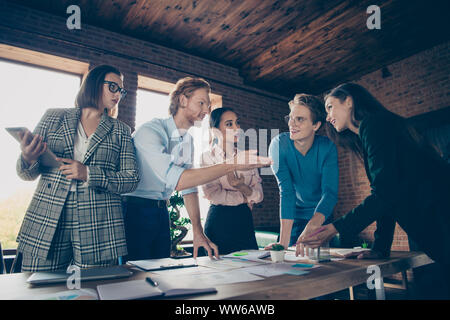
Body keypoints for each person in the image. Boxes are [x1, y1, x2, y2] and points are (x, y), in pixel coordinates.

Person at [299, 83, 450, 296]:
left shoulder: (374, 124)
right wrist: (380, 248)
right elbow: (387, 196)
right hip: (434, 222)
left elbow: (384, 194)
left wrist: (335, 228)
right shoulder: (369, 132)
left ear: (349, 101)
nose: (328, 116)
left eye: (331, 106)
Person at [123, 77, 272, 260]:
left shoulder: (187, 140)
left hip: (161, 211)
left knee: (157, 271)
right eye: (201, 103)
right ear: (183, 100)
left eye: (208, 105)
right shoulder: (150, 131)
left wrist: (198, 231)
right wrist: (233, 165)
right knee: (134, 275)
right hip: (134, 210)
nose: (206, 110)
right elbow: (179, 180)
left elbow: (189, 188)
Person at [16, 65, 140, 272]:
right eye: (113, 87)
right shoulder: (52, 117)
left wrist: (88, 173)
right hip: (48, 214)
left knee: (94, 287)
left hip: (99, 221)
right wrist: (28, 157)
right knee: (39, 286)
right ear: (93, 84)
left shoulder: (121, 130)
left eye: (121, 90)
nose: (118, 94)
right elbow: (26, 174)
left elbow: (131, 179)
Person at [265, 94, 339, 255]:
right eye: (291, 118)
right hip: (294, 216)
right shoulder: (279, 145)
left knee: (322, 268)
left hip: (321, 215)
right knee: (290, 266)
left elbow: (330, 193)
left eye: (300, 119)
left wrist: (314, 224)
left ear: (316, 125)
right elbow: (287, 192)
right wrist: (282, 243)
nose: (292, 123)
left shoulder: (328, 148)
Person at [200, 107, 264, 254]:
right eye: (229, 124)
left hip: (244, 221)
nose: (237, 128)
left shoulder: (247, 158)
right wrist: (245, 196)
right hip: (219, 221)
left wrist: (241, 186)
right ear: (214, 130)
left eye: (237, 123)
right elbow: (213, 194)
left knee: (251, 270)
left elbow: (259, 195)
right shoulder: (207, 157)